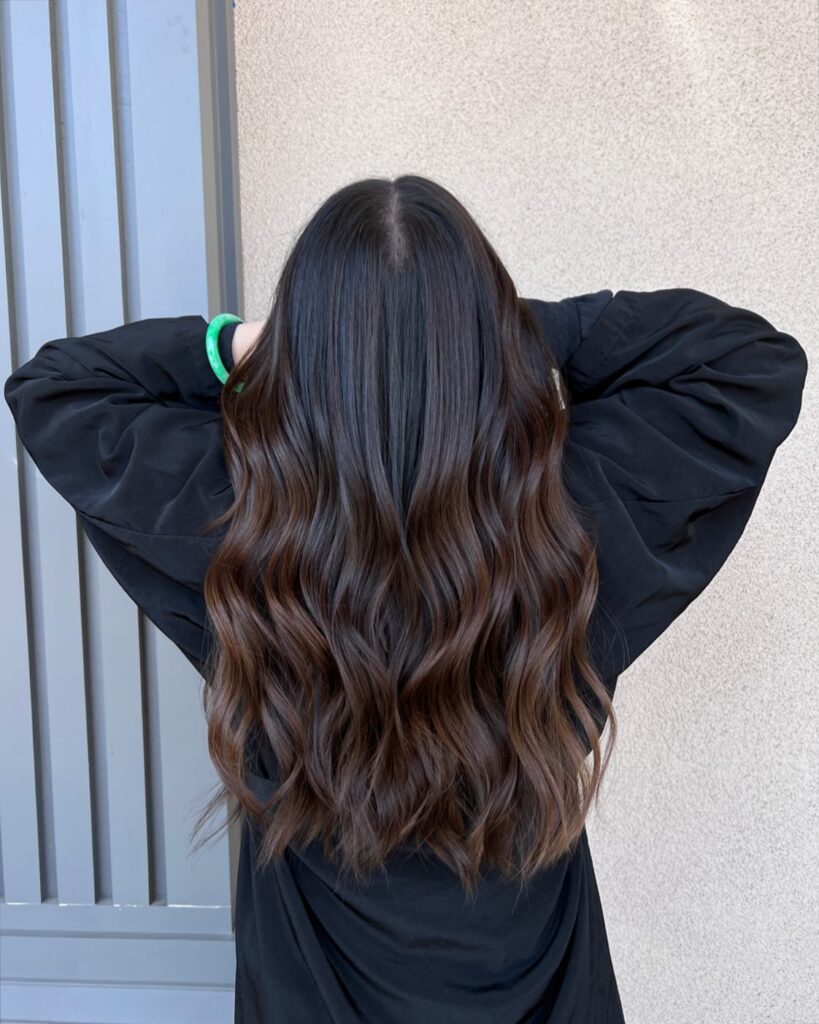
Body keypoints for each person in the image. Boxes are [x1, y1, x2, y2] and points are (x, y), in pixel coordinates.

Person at [4, 175, 808, 1023]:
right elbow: (744, 363)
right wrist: (493, 330)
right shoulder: (569, 521)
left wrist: (248, 343)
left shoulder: (239, 526)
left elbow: (60, 388)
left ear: (301, 344)